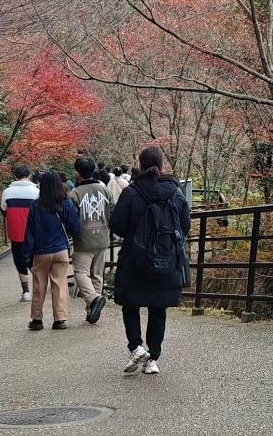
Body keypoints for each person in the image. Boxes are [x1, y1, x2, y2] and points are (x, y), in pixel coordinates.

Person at [110, 143, 191, 375]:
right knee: (158, 308)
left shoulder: (131, 192)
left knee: (131, 304)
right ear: (162, 165)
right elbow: (184, 226)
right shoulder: (175, 192)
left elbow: (117, 225)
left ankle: (136, 347)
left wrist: (137, 234)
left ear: (140, 164)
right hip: (166, 260)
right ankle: (152, 359)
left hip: (135, 259)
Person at [22, 170, 80, 331]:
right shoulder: (65, 203)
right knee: (60, 282)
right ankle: (60, 319)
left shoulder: (35, 205)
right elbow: (75, 227)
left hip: (41, 251)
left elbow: (30, 233)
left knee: (39, 285)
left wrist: (27, 254)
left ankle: (37, 319)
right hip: (61, 250)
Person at [68, 155, 113, 325]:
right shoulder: (104, 190)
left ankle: (94, 299)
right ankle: (91, 311)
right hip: (102, 238)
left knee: (80, 272)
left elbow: (72, 220)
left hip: (83, 240)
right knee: (97, 274)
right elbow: (112, 212)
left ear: (77, 172)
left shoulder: (75, 194)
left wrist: (73, 235)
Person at [0, 162, 40, 302]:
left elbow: (4, 210)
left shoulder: (7, 192)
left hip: (16, 232)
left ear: (15, 176)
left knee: (19, 261)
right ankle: (40, 286)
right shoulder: (36, 192)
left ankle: (26, 292)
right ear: (28, 176)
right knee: (35, 260)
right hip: (34, 232)